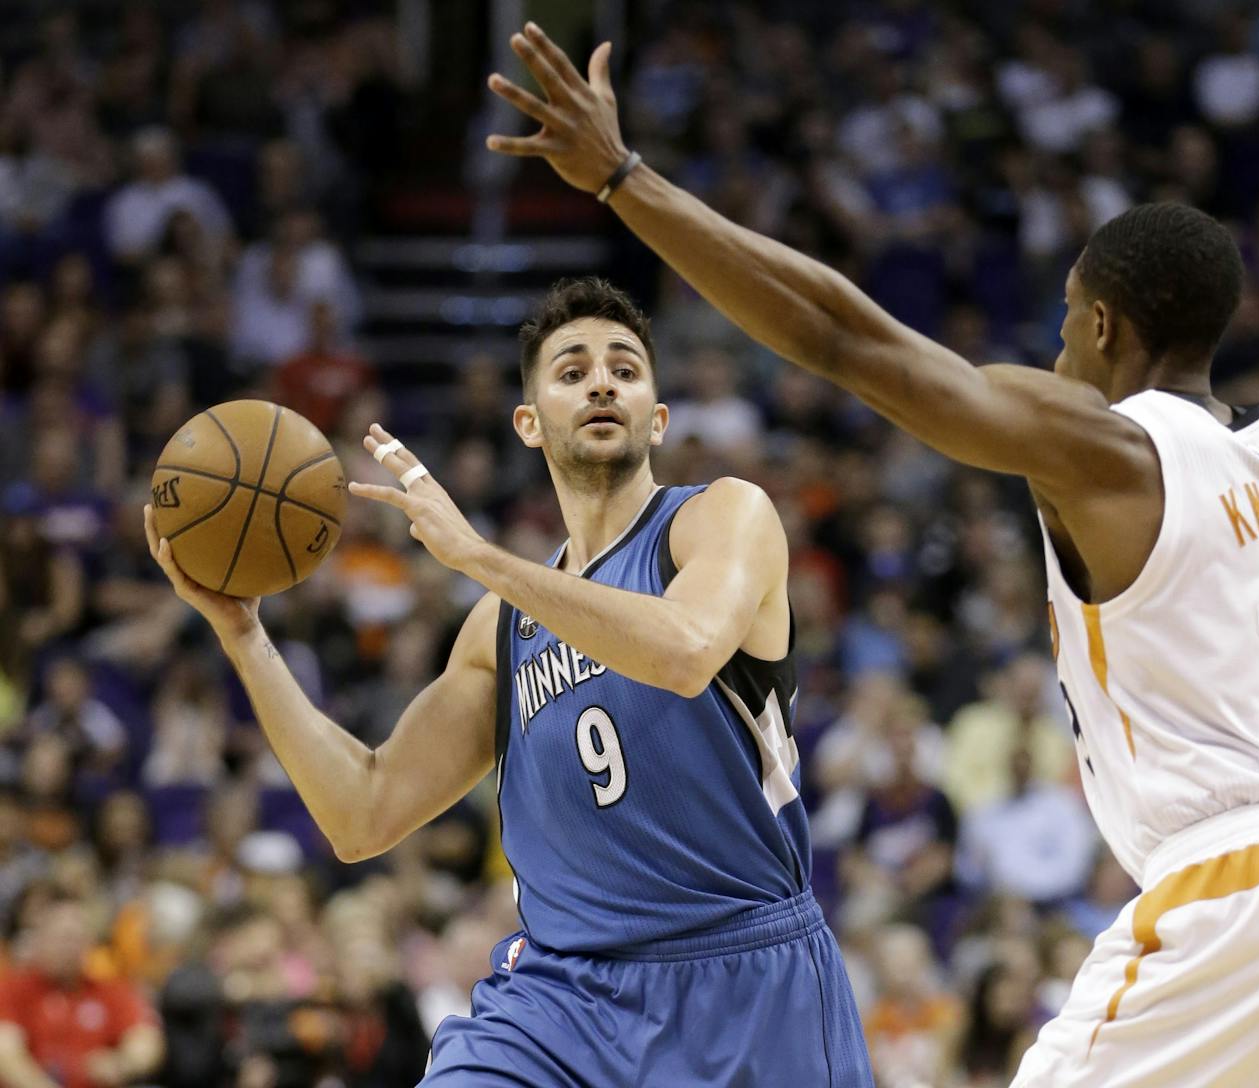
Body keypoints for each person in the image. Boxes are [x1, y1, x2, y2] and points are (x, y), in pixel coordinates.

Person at [486, 24, 1259, 1085]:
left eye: (1067, 327)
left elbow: (846, 339)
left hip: (1236, 894)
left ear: (1105, 326)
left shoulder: (1107, 450)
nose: (1059, 352)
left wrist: (623, 180)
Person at [144, 277, 873, 1086]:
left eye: (625, 370)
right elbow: (363, 812)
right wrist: (244, 636)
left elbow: (685, 650)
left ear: (658, 417)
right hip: (560, 1000)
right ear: (529, 423)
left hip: (743, 980)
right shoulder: (500, 626)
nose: (601, 381)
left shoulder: (721, 517)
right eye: (571, 371)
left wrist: (480, 557)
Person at [0, 891, 164, 1088]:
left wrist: (120, 1063)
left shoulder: (110, 990)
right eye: (62, 938)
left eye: (77, 938)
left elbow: (147, 1041)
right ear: (38, 939)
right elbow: (6, 1054)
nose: (69, 947)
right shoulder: (12, 989)